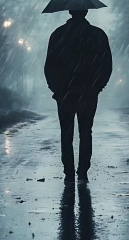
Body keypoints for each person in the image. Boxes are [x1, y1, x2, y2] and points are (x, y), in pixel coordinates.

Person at [44, 9, 112, 181]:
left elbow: (49, 66)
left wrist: (57, 89)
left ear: (69, 11)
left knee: (66, 133)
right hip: (88, 92)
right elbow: (106, 65)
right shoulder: (97, 35)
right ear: (87, 11)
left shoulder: (58, 34)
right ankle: (82, 171)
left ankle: (68, 171)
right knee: (86, 131)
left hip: (65, 93)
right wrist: (97, 86)